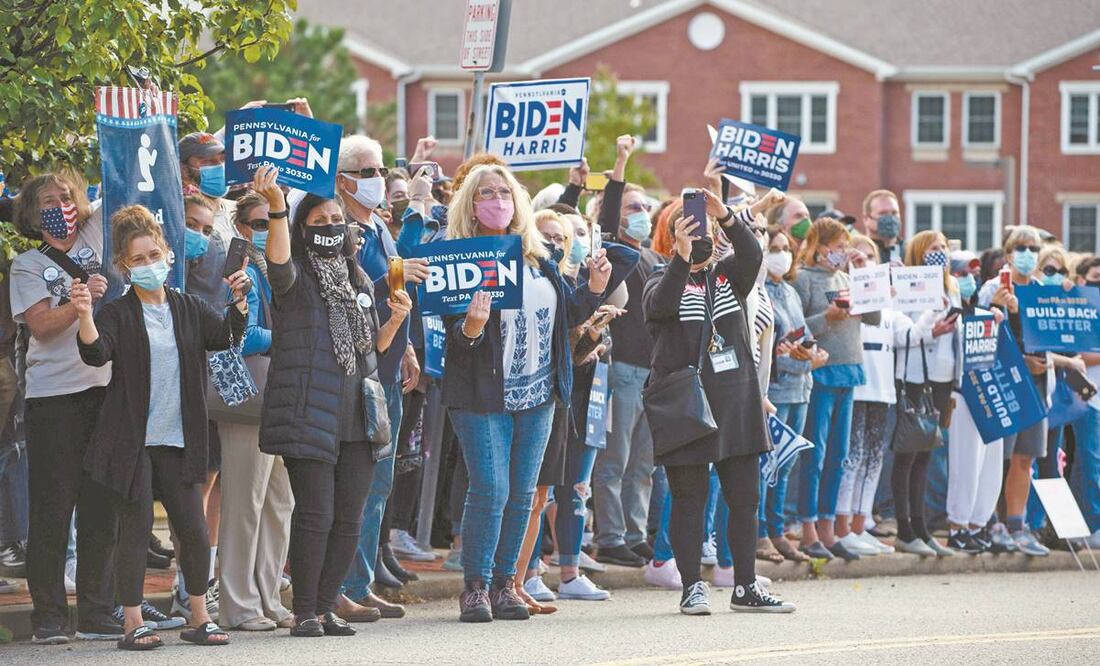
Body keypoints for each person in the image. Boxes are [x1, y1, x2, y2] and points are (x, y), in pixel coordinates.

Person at [73, 204, 248, 649]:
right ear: (123, 267)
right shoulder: (116, 312)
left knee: (192, 528)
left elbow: (225, 334)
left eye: (154, 254)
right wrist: (85, 316)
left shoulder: (188, 307)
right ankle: (134, 623)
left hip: (180, 439)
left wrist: (240, 302)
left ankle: (198, 617)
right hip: (133, 442)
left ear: (168, 254)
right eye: (138, 259)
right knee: (133, 530)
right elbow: (95, 354)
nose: (149, 264)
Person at [443, 163, 610, 623]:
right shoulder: (459, 256)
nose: (496, 200)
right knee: (491, 488)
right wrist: (472, 327)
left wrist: (593, 290)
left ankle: (505, 585)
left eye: (503, 191)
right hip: (482, 392)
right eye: (485, 193)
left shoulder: (538, 256)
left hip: (538, 392)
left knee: (523, 493)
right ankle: (474, 586)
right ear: (470, 205)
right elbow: (452, 333)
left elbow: (565, 315)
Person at [254, 166, 412, 637]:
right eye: (318, 220)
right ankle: (303, 609)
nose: (328, 226)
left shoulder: (358, 278)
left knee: (349, 518)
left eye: (334, 219)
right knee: (316, 514)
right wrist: (278, 208)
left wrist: (392, 324)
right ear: (303, 229)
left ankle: (325, 606)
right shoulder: (295, 277)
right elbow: (278, 263)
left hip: (357, 415)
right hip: (309, 412)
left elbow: (370, 352)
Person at [643, 187, 794, 614]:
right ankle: (692, 585)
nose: (699, 234)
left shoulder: (729, 274)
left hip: (736, 401)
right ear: (672, 237)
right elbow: (660, 307)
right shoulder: (660, 276)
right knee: (689, 499)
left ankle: (745, 586)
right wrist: (681, 257)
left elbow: (753, 255)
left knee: (744, 498)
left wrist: (725, 214)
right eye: (688, 229)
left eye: (703, 228)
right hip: (687, 407)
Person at [10, 173, 121, 644]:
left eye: (66, 197)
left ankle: (97, 612)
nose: (60, 205)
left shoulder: (96, 235)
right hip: (54, 398)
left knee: (101, 508)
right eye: (47, 201)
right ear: (33, 215)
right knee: (54, 512)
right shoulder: (27, 264)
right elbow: (39, 324)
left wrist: (144, 110)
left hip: (106, 391)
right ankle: (50, 618)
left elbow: (120, 177)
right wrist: (80, 305)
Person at [335, 135, 428, 622]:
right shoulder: (339, 228)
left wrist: (407, 342)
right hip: (360, 374)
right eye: (366, 172)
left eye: (377, 171)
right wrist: (393, 275)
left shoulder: (379, 228)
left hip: (390, 369)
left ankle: (361, 581)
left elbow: (392, 298)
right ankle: (339, 585)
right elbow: (347, 298)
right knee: (357, 482)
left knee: (378, 484)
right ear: (344, 179)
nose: (375, 180)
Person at [215, 191, 294, 631]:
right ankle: (237, 604)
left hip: (283, 395)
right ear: (243, 227)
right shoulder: (236, 264)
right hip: (248, 396)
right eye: (259, 223)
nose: (267, 231)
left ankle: (269, 597)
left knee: (280, 501)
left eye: (274, 221)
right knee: (245, 502)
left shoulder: (281, 267)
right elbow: (235, 334)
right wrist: (280, 338)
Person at [977, 226, 1082, 556]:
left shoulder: (1040, 291)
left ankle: (1017, 526)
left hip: (1037, 384)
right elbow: (979, 338)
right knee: (999, 459)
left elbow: (1055, 338)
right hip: (1005, 382)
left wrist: (1067, 298)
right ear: (1008, 254)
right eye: (1021, 248)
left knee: (1026, 457)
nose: (1028, 254)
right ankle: (988, 522)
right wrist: (994, 308)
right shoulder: (994, 288)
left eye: (1033, 249)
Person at [792, 219, 881, 561]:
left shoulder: (846, 278)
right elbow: (796, 329)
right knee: (815, 454)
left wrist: (864, 274)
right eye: (837, 246)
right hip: (821, 371)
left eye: (845, 247)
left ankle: (828, 526)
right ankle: (808, 526)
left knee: (838, 456)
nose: (841, 253)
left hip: (850, 370)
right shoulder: (803, 279)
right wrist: (827, 317)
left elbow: (873, 318)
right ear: (819, 245)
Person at [593, 136, 662, 568]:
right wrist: (620, 161)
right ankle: (610, 536)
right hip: (621, 370)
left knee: (643, 464)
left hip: (654, 374)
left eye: (646, 209)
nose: (643, 215)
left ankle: (636, 534)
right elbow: (606, 210)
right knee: (614, 460)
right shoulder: (613, 254)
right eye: (633, 209)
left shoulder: (655, 258)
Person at [833, 235, 910, 556]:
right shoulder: (842, 293)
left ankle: (860, 524)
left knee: (873, 457)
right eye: (857, 257)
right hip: (856, 385)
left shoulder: (888, 301)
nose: (862, 262)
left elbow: (909, 333)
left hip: (882, 388)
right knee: (851, 457)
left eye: (868, 258)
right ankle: (841, 526)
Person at [891, 230, 957, 557]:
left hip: (942, 377)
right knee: (908, 452)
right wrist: (932, 328)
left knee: (928, 452)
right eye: (934, 248)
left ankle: (922, 527)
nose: (941, 252)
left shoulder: (952, 285)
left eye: (944, 247)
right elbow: (904, 335)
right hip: (913, 376)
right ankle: (904, 528)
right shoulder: (906, 285)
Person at [758, 228, 823, 562]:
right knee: (766, 464)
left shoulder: (790, 291)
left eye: (785, 248)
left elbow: (806, 334)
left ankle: (776, 529)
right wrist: (786, 354)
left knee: (785, 464)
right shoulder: (758, 291)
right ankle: (758, 534)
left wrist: (814, 352)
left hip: (801, 387)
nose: (781, 254)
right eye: (773, 247)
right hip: (777, 389)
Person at [944, 249, 1005, 554]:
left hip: (987, 390)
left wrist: (993, 316)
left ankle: (976, 524)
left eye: (971, 274)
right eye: (960, 274)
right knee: (965, 462)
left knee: (989, 464)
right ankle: (957, 525)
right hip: (961, 392)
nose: (967, 280)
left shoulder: (979, 310)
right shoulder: (946, 309)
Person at [1071, 256, 1100, 547]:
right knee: (1091, 460)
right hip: (1086, 396)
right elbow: (1077, 354)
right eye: (1095, 277)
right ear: (1081, 280)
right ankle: (1093, 525)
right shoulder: (1078, 310)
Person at [859, 189, 904, 266]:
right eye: (883, 213)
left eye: (894, 213)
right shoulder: (859, 251)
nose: (890, 218)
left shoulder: (910, 251)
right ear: (866, 219)